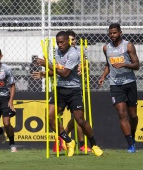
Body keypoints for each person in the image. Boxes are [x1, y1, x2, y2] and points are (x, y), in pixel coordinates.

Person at [33, 31, 103, 157]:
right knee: (49, 116)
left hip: (73, 90)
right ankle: (69, 141)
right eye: (58, 42)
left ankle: (94, 145)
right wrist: (44, 73)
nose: (59, 45)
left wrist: (47, 65)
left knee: (79, 120)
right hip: (59, 90)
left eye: (62, 42)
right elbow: (56, 71)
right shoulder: (57, 52)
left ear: (68, 41)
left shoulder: (74, 53)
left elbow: (65, 73)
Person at [98, 23, 139, 153]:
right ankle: (130, 145)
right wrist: (103, 76)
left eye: (114, 33)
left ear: (120, 32)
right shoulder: (106, 48)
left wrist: (124, 64)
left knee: (133, 115)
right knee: (122, 114)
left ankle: (132, 136)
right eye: (110, 33)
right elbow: (108, 64)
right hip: (115, 85)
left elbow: (137, 65)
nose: (112, 35)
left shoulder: (128, 46)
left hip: (129, 82)